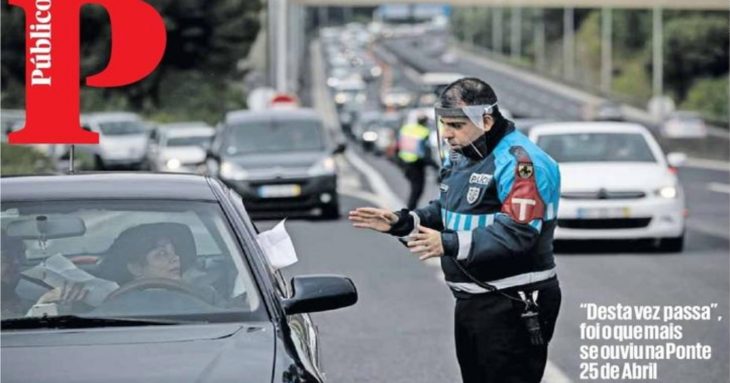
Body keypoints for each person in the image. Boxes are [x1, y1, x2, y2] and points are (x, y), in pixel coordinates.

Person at [349, 77, 562, 383]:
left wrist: (447, 244)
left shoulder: (521, 163)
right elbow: (448, 210)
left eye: (456, 125)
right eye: (444, 124)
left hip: (514, 302)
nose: (447, 134)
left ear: (486, 121)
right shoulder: (465, 153)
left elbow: (519, 232)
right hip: (474, 300)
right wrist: (403, 222)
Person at [396, 114, 437, 210]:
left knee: (414, 188)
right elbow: (425, 153)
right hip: (416, 164)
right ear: (425, 122)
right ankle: (410, 210)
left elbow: (398, 145)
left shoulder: (406, 128)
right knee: (417, 189)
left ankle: (410, 209)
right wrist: (435, 166)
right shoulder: (424, 132)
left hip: (404, 162)